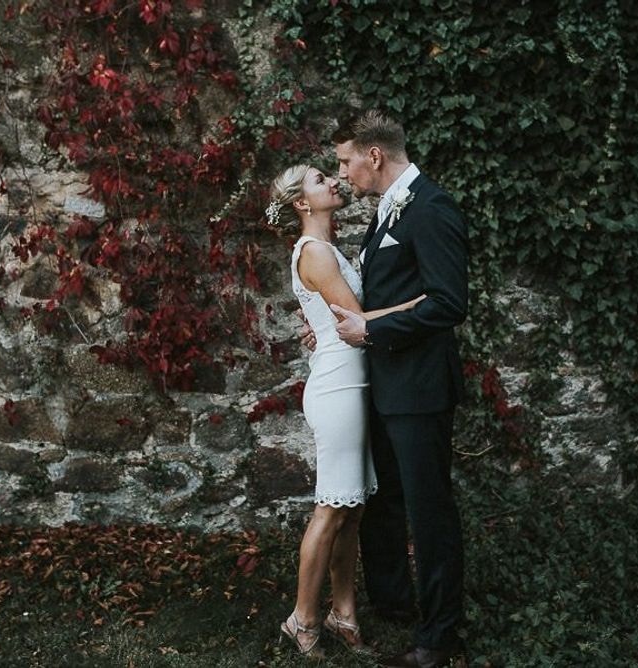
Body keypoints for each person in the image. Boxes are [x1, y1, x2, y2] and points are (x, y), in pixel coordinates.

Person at [267, 163, 425, 660]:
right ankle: (303, 620)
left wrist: (321, 323)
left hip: (355, 383)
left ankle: (344, 613)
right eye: (320, 179)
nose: (333, 181)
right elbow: (354, 318)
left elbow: (335, 314)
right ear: (302, 203)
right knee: (332, 505)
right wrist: (419, 306)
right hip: (337, 387)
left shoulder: (328, 249)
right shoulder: (314, 252)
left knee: (352, 508)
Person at [329, 110, 469, 668]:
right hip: (383, 386)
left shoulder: (431, 208)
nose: (341, 173)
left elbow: (447, 302)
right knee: (383, 503)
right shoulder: (386, 210)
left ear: (374, 156)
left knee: (429, 511)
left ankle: (438, 638)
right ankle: (394, 604)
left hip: (420, 389)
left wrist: (373, 329)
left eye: (345, 161)